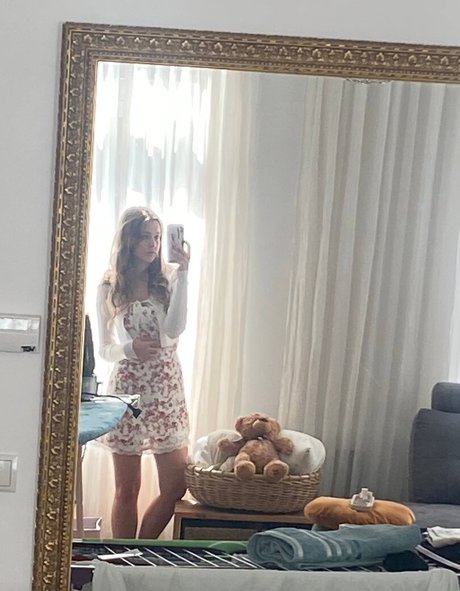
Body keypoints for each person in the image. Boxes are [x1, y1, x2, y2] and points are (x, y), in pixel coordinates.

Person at [96, 206, 190, 539]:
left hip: (166, 389)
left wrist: (184, 273)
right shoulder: (110, 286)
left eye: (157, 237)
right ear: (129, 240)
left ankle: (143, 550)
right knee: (127, 488)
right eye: (145, 237)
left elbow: (174, 329)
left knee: (176, 486)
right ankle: (123, 559)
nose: (153, 245)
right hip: (128, 391)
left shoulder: (168, 279)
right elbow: (104, 349)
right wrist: (129, 349)